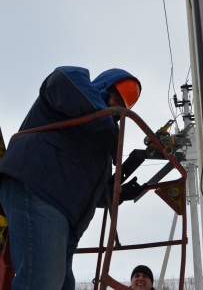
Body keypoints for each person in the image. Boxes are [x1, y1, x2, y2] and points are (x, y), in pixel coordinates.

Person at [0, 66, 146, 290]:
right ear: (104, 87)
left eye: (121, 107)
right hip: (40, 189)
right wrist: (103, 124)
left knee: (62, 285)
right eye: (115, 98)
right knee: (41, 284)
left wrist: (119, 194)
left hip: (65, 221)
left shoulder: (101, 152)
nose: (115, 108)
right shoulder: (74, 86)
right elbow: (61, 79)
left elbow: (91, 194)